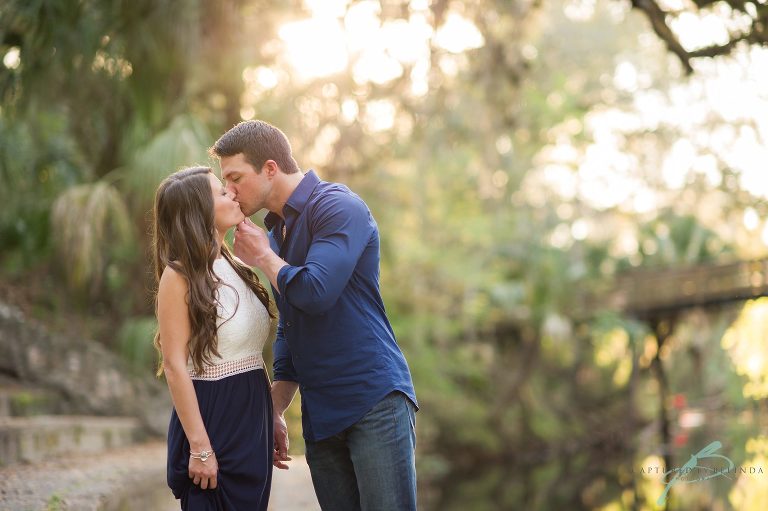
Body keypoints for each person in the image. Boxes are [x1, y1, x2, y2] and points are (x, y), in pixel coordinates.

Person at [210, 120, 419, 511]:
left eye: (236, 178)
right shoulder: (275, 233)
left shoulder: (338, 206)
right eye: (226, 181)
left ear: (270, 168)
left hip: (373, 401)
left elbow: (316, 291)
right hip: (321, 414)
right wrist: (275, 407)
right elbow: (291, 323)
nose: (230, 191)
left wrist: (265, 260)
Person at [152, 166, 274, 510]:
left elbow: (251, 351)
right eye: (222, 192)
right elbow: (174, 364)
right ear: (199, 212)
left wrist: (273, 416)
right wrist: (200, 447)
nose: (232, 193)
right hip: (213, 418)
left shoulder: (240, 268)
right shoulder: (179, 277)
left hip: (253, 417)